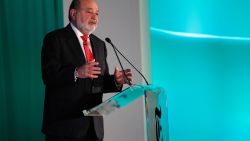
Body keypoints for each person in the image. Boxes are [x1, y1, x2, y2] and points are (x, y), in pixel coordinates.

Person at [41, 0, 132, 140]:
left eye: (97, 13)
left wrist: (115, 81)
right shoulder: (55, 39)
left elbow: (98, 82)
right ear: (73, 13)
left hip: (94, 129)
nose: (95, 16)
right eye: (89, 11)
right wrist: (77, 72)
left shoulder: (100, 44)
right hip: (64, 128)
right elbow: (49, 77)